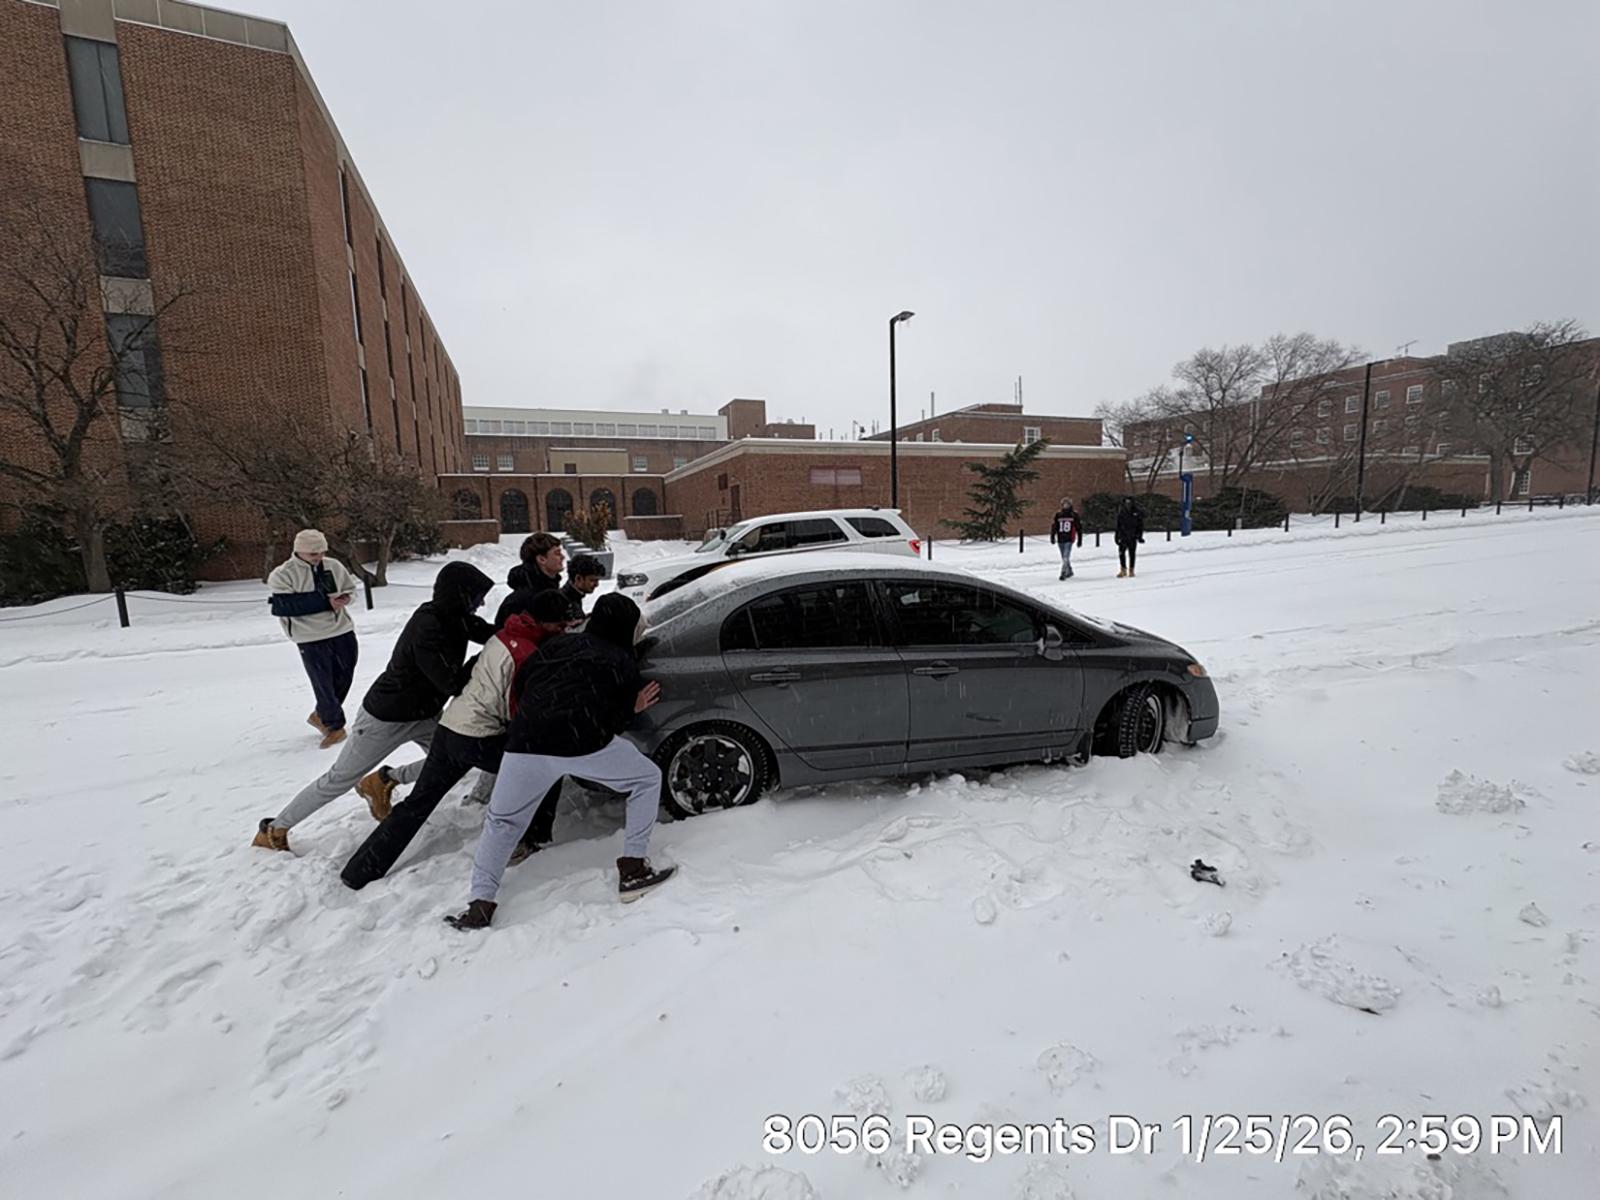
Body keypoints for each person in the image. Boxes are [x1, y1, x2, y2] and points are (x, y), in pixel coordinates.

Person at [444, 593, 673, 930]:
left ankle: (480, 904)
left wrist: (538, 712)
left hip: (526, 743)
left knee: (502, 823)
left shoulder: (557, 646)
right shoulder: (620, 660)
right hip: (583, 745)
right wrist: (632, 706)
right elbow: (615, 717)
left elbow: (522, 683)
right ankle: (633, 870)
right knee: (646, 779)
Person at [251, 562, 496, 852]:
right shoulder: (428, 625)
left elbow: (492, 633)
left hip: (425, 714)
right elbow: (451, 683)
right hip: (385, 718)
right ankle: (274, 829)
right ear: (460, 594)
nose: (481, 603)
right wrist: (484, 661)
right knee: (339, 779)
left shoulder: (456, 616)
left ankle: (383, 781)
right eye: (477, 596)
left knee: (456, 758)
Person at [339, 590, 575, 889]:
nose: (564, 632)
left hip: (450, 727)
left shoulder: (503, 635)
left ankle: (360, 871)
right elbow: (520, 714)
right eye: (560, 627)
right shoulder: (526, 655)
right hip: (479, 736)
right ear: (544, 624)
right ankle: (532, 839)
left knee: (418, 803)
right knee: (545, 769)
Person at [268, 529, 359, 748]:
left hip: (341, 629)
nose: (318, 557)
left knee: (345, 674)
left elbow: (350, 588)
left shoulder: (333, 566)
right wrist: (325, 602)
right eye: (312, 554)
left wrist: (346, 598)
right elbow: (284, 606)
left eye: (321, 552)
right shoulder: (282, 574)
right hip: (309, 636)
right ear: (298, 551)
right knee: (323, 682)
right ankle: (334, 725)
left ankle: (321, 714)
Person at [496, 532, 565, 628]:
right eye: (557, 553)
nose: (563, 557)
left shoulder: (553, 592)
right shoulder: (519, 602)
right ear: (541, 559)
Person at [1048, 497, 1083, 581]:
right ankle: (1069, 571)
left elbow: (1079, 527)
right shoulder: (1058, 514)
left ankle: (1063, 572)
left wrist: (1080, 540)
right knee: (1064, 557)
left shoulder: (1074, 515)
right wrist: (1052, 536)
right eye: (1064, 504)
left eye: (1067, 504)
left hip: (1069, 538)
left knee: (1066, 557)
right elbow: (1054, 526)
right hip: (1060, 538)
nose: (1065, 506)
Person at [561, 554, 604, 620]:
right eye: (592, 580)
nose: (597, 584)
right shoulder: (564, 602)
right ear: (578, 578)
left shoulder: (574, 597)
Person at [1115, 496, 1146, 578]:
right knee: (1121, 553)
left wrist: (1139, 536)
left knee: (1132, 553)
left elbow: (1140, 525)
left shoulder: (1136, 512)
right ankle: (1123, 569)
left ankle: (1131, 569)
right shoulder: (1121, 512)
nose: (1127, 504)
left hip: (1132, 536)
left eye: (1129, 503)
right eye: (1126, 503)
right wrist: (1117, 536)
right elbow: (1118, 526)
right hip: (1123, 536)